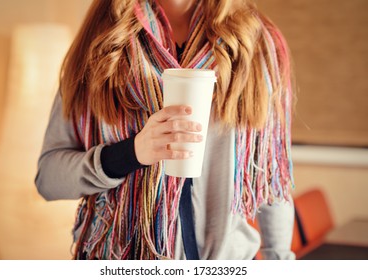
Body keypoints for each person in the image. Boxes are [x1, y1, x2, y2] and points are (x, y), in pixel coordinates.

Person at [35, 0, 296, 260]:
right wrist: (131, 153)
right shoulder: (99, 43)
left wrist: (280, 259)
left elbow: (271, 173)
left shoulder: (257, 42)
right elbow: (48, 178)